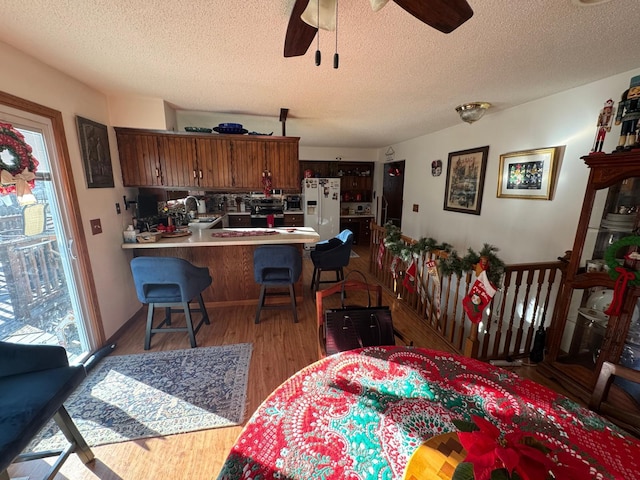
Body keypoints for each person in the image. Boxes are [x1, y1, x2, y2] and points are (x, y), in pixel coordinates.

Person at [615, 75, 640, 151]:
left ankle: (631, 144)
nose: (636, 92)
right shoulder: (624, 102)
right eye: (633, 90)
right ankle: (620, 145)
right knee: (623, 131)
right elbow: (620, 111)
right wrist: (618, 119)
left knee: (633, 130)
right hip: (626, 117)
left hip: (636, 116)